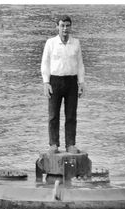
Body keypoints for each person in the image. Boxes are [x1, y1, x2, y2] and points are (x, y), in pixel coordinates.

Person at [41, 15, 85, 154]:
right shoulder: (51, 43)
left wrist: (81, 82)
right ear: (57, 27)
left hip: (71, 82)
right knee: (53, 115)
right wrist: (46, 82)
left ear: (70, 27)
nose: (65, 29)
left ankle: (70, 144)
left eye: (67, 26)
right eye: (62, 26)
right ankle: (53, 144)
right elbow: (45, 63)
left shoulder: (76, 43)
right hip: (55, 81)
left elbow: (80, 64)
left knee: (71, 115)